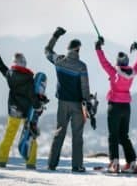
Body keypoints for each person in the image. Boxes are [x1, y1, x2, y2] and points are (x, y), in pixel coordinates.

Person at [94, 36, 137, 174]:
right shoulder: (132, 72)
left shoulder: (114, 71)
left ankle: (114, 163)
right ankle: (132, 163)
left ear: (117, 62)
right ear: (127, 62)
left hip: (114, 106)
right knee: (124, 136)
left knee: (113, 136)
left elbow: (103, 62)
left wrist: (98, 48)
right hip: (126, 107)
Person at [45, 27, 91, 172]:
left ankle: (52, 164)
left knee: (59, 132)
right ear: (77, 50)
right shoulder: (82, 66)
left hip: (62, 104)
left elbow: (47, 50)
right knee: (77, 136)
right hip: (77, 105)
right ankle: (77, 166)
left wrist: (55, 35)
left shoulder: (59, 61)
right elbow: (85, 88)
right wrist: (88, 104)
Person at [0, 44, 42, 169]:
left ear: (14, 63)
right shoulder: (29, 79)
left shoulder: (10, 74)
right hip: (27, 112)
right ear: (24, 63)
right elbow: (32, 96)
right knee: (30, 136)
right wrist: (38, 106)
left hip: (14, 110)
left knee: (9, 135)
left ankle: (2, 160)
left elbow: (1, 67)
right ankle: (30, 162)